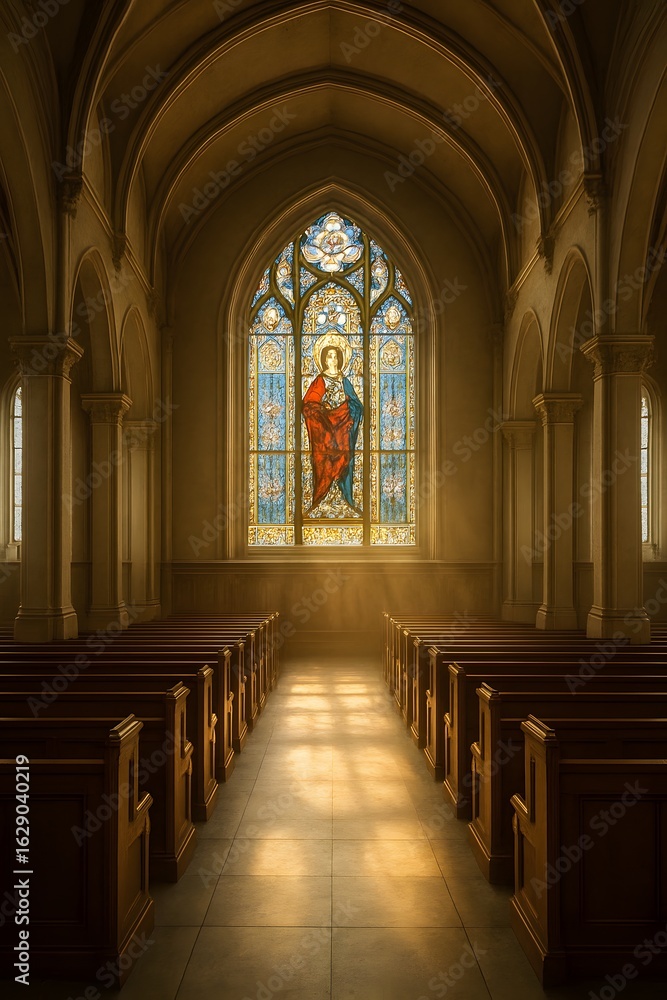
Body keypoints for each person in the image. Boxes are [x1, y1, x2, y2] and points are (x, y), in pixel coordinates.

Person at [302, 343, 363, 513]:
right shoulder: (320, 381)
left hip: (343, 428)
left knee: (344, 457)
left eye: (335, 356)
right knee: (324, 459)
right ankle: (322, 497)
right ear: (324, 360)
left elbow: (357, 406)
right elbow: (308, 405)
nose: (333, 360)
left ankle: (345, 499)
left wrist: (348, 409)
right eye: (329, 356)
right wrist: (322, 410)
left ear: (340, 359)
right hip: (324, 430)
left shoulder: (345, 381)